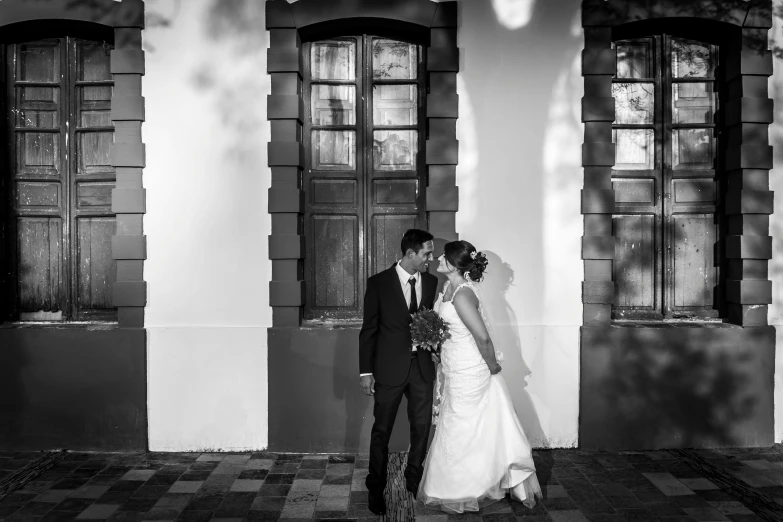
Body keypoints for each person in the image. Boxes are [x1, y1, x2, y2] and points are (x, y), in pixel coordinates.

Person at [418, 240, 543, 513]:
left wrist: (492, 367)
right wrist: (437, 345)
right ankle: (461, 480)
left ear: (452, 264)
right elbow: (449, 328)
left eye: (444, 256)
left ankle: (463, 487)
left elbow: (483, 337)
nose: (438, 257)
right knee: (456, 422)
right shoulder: (447, 288)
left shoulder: (462, 294)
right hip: (452, 365)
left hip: (470, 369)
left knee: (464, 424)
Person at [359, 228, 438, 516]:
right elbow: (369, 330)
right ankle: (375, 488)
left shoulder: (431, 281)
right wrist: (365, 372)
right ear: (410, 253)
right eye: (427, 253)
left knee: (422, 429)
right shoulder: (378, 283)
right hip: (389, 370)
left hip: (422, 370)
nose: (431, 258)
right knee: (382, 431)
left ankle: (413, 480)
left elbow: (431, 320)